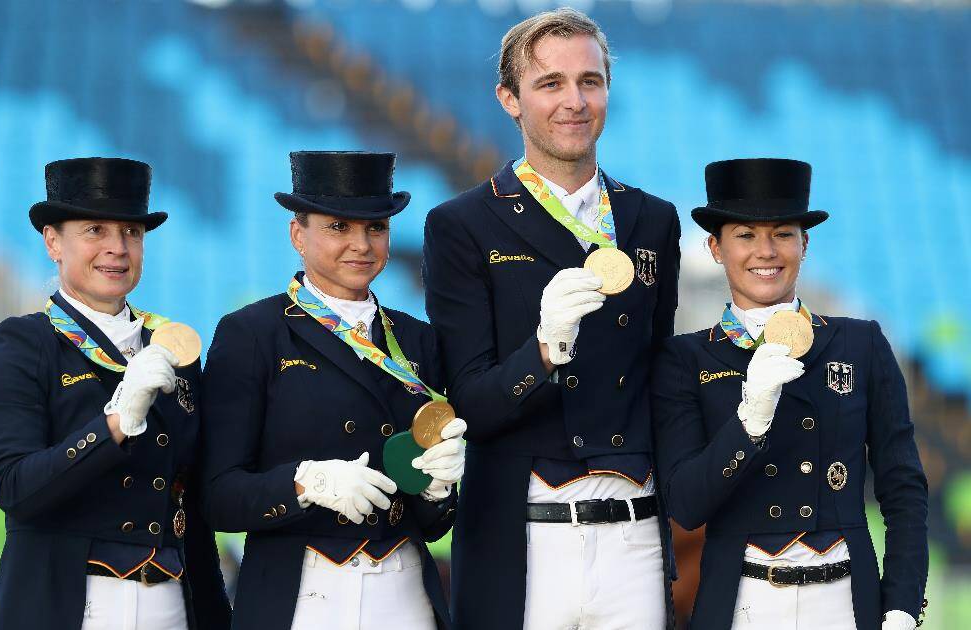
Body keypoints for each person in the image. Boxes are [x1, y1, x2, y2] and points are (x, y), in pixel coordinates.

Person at [422, 8, 680, 629]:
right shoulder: (461, 225)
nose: (575, 101)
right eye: (550, 84)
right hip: (524, 533)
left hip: (633, 533)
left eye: (590, 81)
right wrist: (542, 351)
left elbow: (659, 376)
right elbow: (472, 404)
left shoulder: (653, 220)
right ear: (509, 99)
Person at [651, 158, 929, 630]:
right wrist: (750, 422)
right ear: (715, 248)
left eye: (782, 233)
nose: (766, 251)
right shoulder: (685, 359)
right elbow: (686, 504)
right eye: (745, 235)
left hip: (845, 599)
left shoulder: (860, 343)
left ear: (805, 243)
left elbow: (902, 487)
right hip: (744, 601)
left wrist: (901, 605)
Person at [200, 151, 463, 630]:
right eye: (339, 227)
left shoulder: (418, 339)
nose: (361, 244)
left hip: (404, 596)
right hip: (303, 594)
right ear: (298, 234)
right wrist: (307, 483)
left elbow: (433, 524)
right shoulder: (252, 333)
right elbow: (217, 496)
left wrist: (440, 488)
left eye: (376, 228)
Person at [0, 157, 231, 630]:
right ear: (53, 241)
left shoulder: (173, 348)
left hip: (172, 604)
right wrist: (116, 424)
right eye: (95, 230)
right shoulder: (21, 343)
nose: (117, 248)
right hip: (68, 604)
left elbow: (196, 505)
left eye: (132, 233)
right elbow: (15, 488)